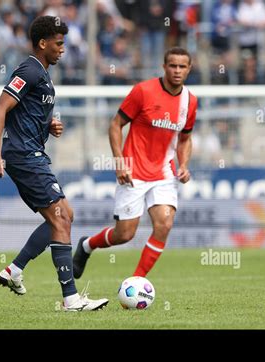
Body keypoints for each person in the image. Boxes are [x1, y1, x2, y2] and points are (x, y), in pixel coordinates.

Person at [0, 16, 108, 311]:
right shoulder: (29, 69)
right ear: (43, 44)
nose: (62, 49)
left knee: (64, 214)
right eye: (59, 43)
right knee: (60, 218)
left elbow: (24, 112)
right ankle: (71, 298)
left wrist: (47, 125)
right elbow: (0, 108)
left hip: (32, 152)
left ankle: (14, 270)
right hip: (24, 155)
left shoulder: (42, 73)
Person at [73, 47, 197, 279]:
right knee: (125, 234)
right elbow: (115, 125)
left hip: (164, 174)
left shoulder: (190, 102)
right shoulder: (143, 91)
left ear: (189, 69)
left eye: (182, 66)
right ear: (164, 67)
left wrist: (184, 164)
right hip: (133, 173)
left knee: (164, 224)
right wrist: (120, 162)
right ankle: (87, 245)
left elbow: (186, 138)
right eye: (173, 65)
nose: (177, 71)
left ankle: (137, 282)